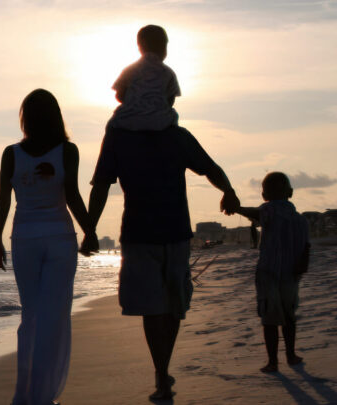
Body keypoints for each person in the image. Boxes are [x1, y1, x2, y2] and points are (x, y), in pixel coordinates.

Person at [82, 24, 241, 397]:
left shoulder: (118, 134)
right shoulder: (176, 134)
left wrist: (89, 229)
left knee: (156, 309)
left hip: (138, 234)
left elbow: (101, 185)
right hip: (173, 232)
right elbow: (212, 169)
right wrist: (229, 192)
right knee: (172, 306)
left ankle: (160, 371)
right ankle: (162, 371)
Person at [0, 89, 95, 405]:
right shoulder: (68, 150)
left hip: (25, 239)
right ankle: (43, 394)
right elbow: (73, 196)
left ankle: (27, 395)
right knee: (55, 317)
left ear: (25, 117)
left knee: (32, 317)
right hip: (60, 239)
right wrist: (90, 231)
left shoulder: (12, 153)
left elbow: (4, 199)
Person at [233, 172, 311, 373]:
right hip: (291, 274)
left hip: (268, 272)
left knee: (269, 319)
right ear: (291, 193)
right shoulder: (300, 220)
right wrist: (302, 266)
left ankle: (273, 361)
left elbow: (257, 214)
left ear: (264, 194)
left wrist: (238, 208)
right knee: (288, 316)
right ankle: (291, 355)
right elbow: (306, 248)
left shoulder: (268, 210)